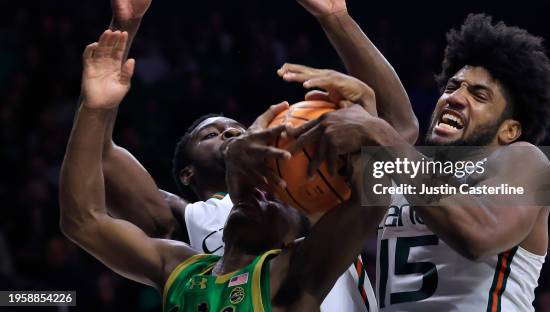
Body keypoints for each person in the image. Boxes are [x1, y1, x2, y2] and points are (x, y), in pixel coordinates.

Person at [98, 0, 419, 312]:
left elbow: (398, 129)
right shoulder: (183, 221)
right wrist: (123, 27)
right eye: (211, 134)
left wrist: (336, 19)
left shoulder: (303, 187)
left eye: (236, 126)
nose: (231, 132)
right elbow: (98, 156)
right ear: (186, 175)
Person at [59, 29, 389, 311]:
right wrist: (94, 106)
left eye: (274, 198)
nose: (263, 197)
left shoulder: (296, 268)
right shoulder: (182, 262)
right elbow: (83, 219)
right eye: (212, 134)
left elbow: (375, 190)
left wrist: (367, 120)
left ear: (296, 238)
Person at [285, 13, 550, 310]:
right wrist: (335, 16)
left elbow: (479, 235)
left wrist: (380, 134)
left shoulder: (525, 161)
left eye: (479, 95)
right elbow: (403, 125)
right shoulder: (405, 174)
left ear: (510, 130)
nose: (455, 98)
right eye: (452, 87)